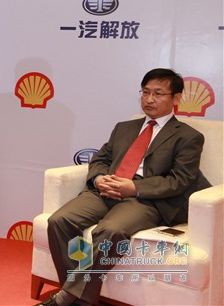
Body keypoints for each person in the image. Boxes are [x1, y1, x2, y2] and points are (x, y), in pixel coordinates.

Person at [38, 68, 211, 306]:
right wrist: (99, 179)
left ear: (176, 98)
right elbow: (100, 159)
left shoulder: (188, 136)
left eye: (158, 93)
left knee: (110, 230)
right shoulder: (124, 128)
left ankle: (67, 297)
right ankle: (79, 299)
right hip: (105, 189)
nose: (149, 99)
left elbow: (180, 180)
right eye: (145, 92)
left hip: (144, 199)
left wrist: (134, 187)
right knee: (60, 220)